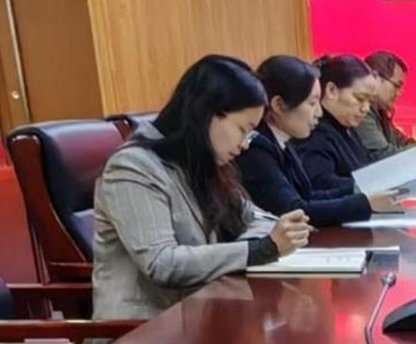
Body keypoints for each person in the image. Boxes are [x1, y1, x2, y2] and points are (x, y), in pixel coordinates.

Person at [92, 55, 310, 322]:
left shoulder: (201, 161)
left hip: (204, 317)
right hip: (142, 333)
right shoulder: (133, 167)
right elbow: (162, 263)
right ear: (208, 114)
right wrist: (257, 250)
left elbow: (260, 219)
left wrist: (258, 245)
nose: (244, 144)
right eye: (243, 129)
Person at [237, 55, 405, 227]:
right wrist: (365, 202)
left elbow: (308, 194)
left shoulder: (283, 141)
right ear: (279, 105)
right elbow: (293, 209)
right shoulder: (257, 148)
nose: (319, 112)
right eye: (312, 103)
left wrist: (363, 192)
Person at [292, 54, 378, 193]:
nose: (366, 108)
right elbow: (322, 183)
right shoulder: (314, 132)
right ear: (331, 90)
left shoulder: (346, 127)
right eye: (360, 98)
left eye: (370, 102)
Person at [358, 50, 416, 161]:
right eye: (396, 86)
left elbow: (403, 142)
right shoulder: (361, 113)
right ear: (375, 78)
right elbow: (383, 155)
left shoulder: (381, 113)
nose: (399, 93)